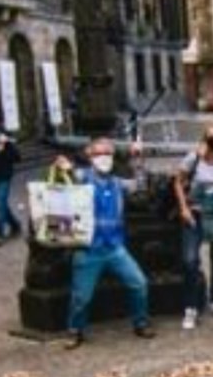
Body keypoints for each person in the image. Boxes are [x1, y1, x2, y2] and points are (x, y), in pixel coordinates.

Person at [56, 140, 155, 350]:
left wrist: (138, 159)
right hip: (88, 249)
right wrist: (63, 166)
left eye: (108, 154)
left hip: (115, 248)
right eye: (99, 154)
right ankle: (75, 331)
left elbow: (139, 185)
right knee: (81, 297)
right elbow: (66, 176)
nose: (104, 158)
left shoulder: (117, 183)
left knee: (139, 283)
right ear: (90, 155)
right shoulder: (83, 178)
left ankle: (141, 322)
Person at [174, 125, 213, 330]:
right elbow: (178, 181)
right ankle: (190, 307)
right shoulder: (194, 158)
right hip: (195, 214)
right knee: (190, 260)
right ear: (205, 139)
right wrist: (183, 208)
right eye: (212, 137)